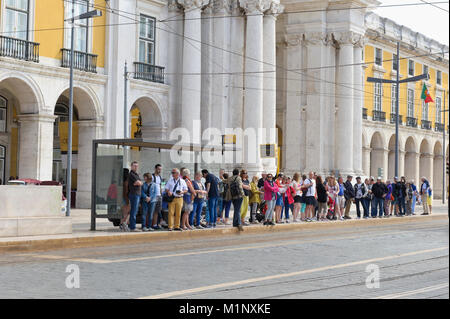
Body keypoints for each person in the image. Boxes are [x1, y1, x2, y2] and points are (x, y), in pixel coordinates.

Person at [127, 161, 143, 231]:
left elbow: (140, 182)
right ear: (131, 166)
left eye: (137, 166)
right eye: (134, 166)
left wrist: (139, 182)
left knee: (135, 211)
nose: (136, 167)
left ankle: (131, 225)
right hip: (134, 194)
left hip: (137, 194)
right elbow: (139, 182)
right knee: (134, 211)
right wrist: (139, 182)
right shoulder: (131, 174)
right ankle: (132, 227)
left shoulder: (136, 174)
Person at [151, 164, 165, 230]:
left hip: (159, 195)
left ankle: (155, 224)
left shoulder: (160, 177)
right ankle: (151, 224)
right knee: (152, 211)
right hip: (154, 196)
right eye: (158, 169)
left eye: (160, 169)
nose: (159, 170)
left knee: (157, 210)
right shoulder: (152, 176)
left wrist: (162, 191)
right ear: (155, 169)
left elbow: (161, 186)